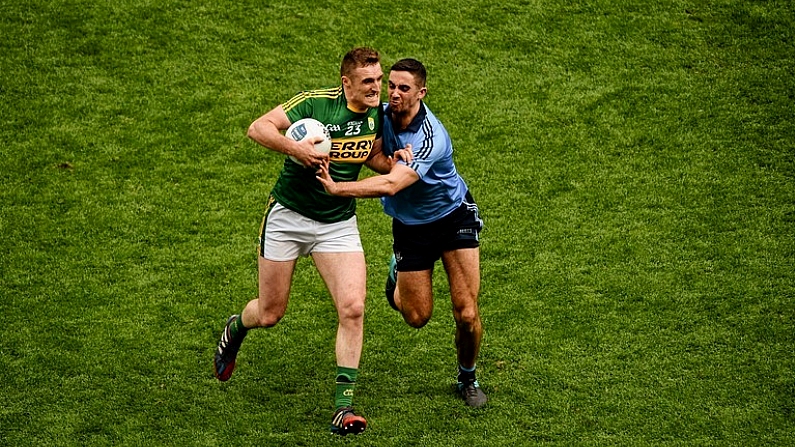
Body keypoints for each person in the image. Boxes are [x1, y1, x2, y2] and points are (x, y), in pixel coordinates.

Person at [213, 47, 406, 436]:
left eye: (378, 79)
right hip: (288, 218)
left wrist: (396, 160)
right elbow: (258, 128)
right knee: (270, 312)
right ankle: (237, 328)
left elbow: (371, 156)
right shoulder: (315, 103)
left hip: (337, 222)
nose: (376, 88)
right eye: (367, 81)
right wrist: (295, 148)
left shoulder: (377, 115)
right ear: (346, 82)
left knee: (353, 308)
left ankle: (343, 407)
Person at [316, 58, 488, 408]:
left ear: (421, 93)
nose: (393, 93)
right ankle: (397, 274)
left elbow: (394, 184)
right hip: (411, 227)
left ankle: (467, 378)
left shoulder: (430, 137)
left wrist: (339, 189)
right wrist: (388, 157)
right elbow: (369, 151)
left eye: (403, 88)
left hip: (453, 217)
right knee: (416, 317)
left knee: (466, 312)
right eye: (391, 85)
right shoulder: (378, 114)